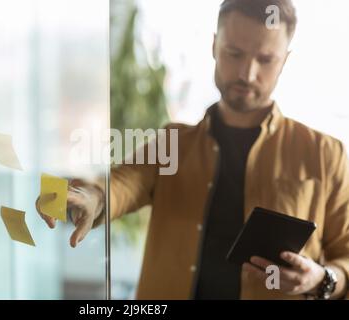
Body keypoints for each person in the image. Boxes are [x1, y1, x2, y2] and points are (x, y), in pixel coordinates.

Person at [36, 0, 349, 299]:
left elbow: (345, 256)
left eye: (265, 59)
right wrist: (93, 197)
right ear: (214, 46)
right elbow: (124, 183)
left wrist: (322, 279)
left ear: (284, 61)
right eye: (234, 53)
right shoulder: (173, 142)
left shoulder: (325, 155)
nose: (247, 73)